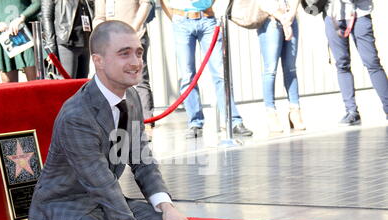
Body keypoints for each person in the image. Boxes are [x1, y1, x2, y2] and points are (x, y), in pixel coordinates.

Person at [21, 20, 194, 220]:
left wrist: (166, 205)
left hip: (101, 203)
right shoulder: (77, 115)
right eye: (124, 53)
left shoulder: (131, 98)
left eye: (138, 52)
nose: (136, 62)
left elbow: (142, 160)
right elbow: (104, 186)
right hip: (65, 208)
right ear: (99, 61)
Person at [160, 0, 253, 139]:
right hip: (182, 21)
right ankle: (195, 123)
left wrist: (217, 10)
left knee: (221, 73)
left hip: (207, 19)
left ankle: (233, 121)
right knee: (187, 75)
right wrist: (174, 17)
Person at [93, 0, 156, 137]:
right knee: (112, 83)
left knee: (140, 80)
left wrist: (130, 32)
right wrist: (102, 36)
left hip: (135, 38)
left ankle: (146, 122)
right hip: (111, 44)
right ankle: (118, 125)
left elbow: (146, 4)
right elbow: (99, 17)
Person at [324, 0, 388, 125]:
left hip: (360, 13)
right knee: (342, 64)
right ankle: (351, 111)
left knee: (372, 62)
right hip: (333, 15)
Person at [257, 0, 306, 132]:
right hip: (270, 20)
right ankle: (271, 112)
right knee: (270, 70)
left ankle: (295, 110)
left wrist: (291, 14)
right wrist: (283, 19)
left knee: (290, 67)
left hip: (291, 18)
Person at [0, 0, 40, 83]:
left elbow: (38, 3)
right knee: (9, 85)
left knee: (35, 81)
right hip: (3, 34)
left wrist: (21, 18)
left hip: (26, 32)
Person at [41, 0, 94, 79]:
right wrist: (51, 48)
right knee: (68, 83)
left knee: (83, 85)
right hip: (66, 42)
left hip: (85, 40)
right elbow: (47, 17)